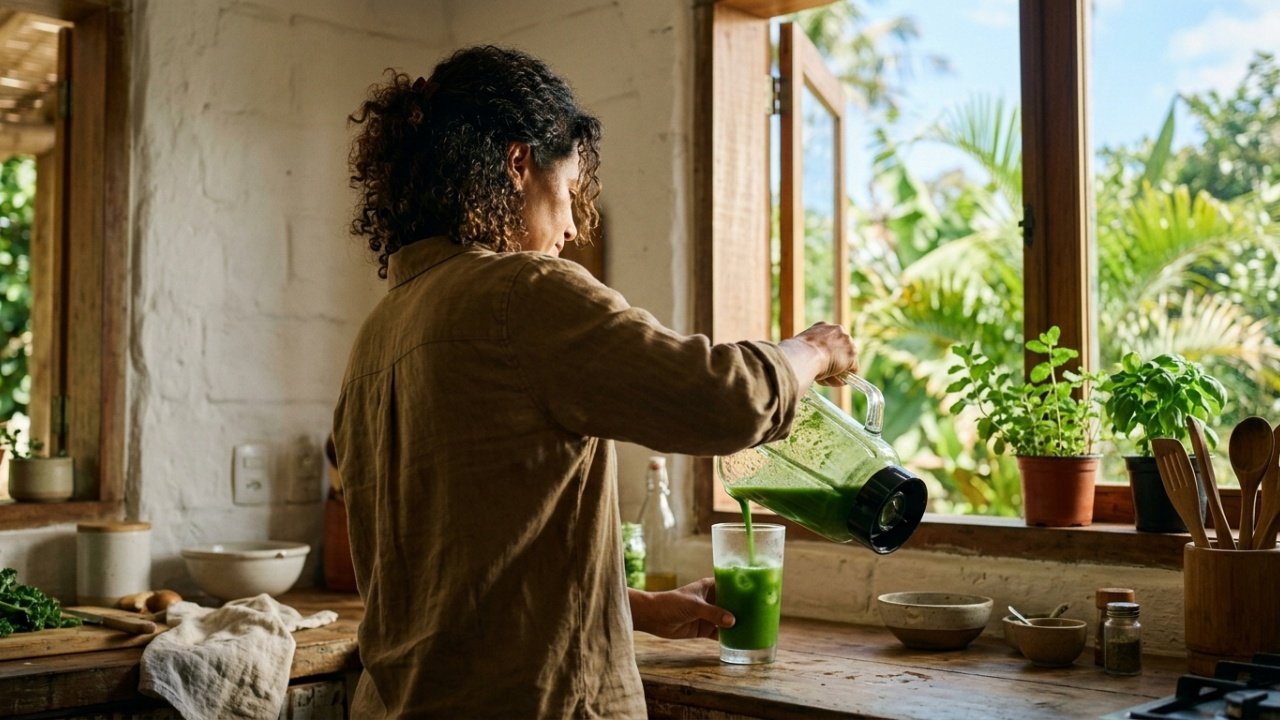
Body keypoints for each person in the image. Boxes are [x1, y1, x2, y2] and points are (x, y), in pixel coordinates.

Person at [333, 45, 859, 719]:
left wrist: (630, 609)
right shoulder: (521, 291)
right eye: (571, 186)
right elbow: (724, 400)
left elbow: (461, 574)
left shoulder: (376, 335)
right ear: (519, 164)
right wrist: (811, 350)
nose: (576, 224)